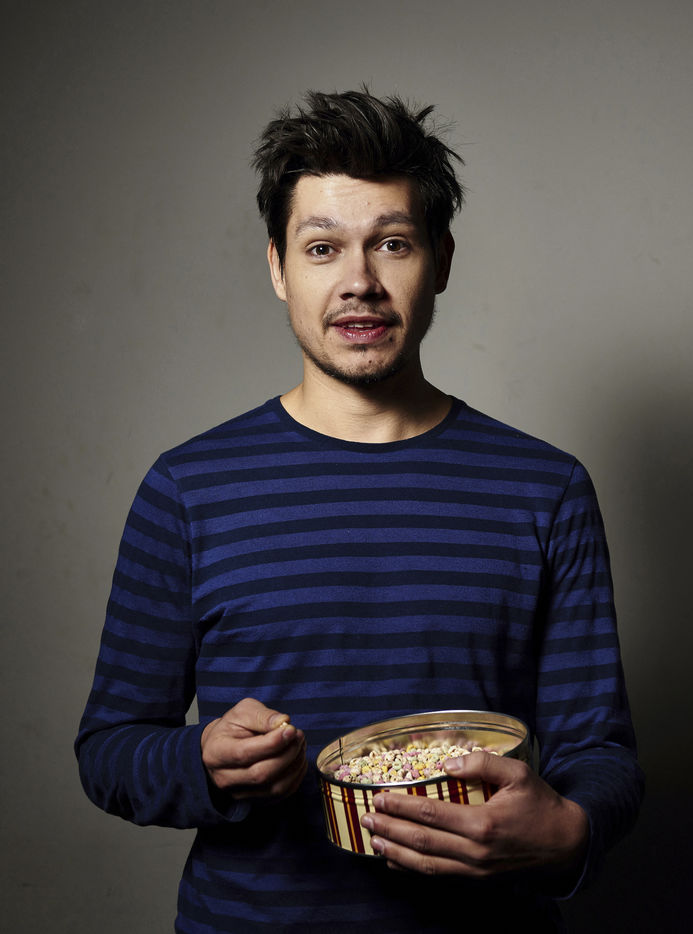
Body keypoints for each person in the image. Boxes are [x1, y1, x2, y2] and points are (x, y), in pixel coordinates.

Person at [76, 89, 643, 933]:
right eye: (322, 247)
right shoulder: (189, 487)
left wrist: (569, 833)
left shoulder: (544, 486)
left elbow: (599, 751)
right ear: (278, 267)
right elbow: (110, 749)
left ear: (440, 260)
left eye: (392, 243)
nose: (359, 283)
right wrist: (200, 761)